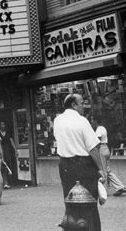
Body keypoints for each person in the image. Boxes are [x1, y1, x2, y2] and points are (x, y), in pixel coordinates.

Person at [54, 94, 107, 231]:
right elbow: (93, 149)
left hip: (65, 165)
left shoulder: (57, 120)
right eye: (82, 103)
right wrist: (101, 169)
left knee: (70, 201)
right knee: (89, 203)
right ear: (73, 105)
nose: (84, 106)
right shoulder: (82, 121)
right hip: (84, 165)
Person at [89, 114, 126, 196]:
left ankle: (103, 191)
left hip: (101, 149)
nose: (91, 121)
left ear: (96, 120)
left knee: (103, 171)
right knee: (108, 170)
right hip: (106, 148)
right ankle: (120, 187)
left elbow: (97, 142)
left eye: (92, 119)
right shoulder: (103, 128)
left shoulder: (98, 129)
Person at [0, 122, 17, 189]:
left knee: (9, 165)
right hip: (1, 150)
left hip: (8, 150)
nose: (3, 126)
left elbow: (11, 141)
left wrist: (15, 150)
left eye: (4, 124)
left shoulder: (8, 132)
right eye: (1, 124)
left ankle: (8, 181)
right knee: (3, 166)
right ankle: (5, 182)